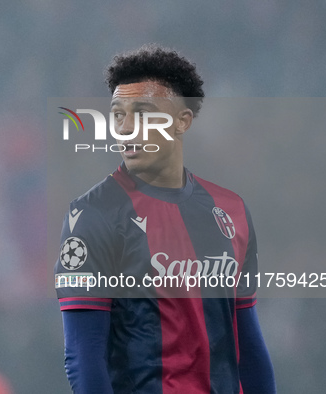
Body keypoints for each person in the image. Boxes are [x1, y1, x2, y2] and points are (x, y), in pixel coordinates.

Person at [54, 44, 276, 394]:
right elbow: (83, 356)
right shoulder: (92, 216)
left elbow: (247, 344)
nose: (125, 128)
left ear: (182, 121)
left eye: (142, 113)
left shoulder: (230, 210)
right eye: (117, 114)